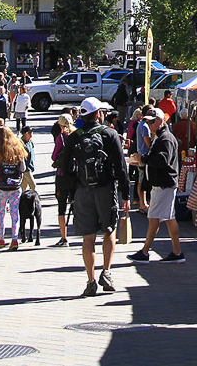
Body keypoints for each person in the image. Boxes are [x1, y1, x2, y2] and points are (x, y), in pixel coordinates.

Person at [59, 97, 130, 296]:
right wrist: (125, 193)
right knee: (109, 230)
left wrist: (70, 194)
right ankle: (106, 272)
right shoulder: (110, 134)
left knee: (87, 238)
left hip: (83, 191)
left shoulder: (74, 137)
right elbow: (120, 167)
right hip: (105, 189)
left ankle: (90, 281)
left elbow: (65, 167)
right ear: (98, 114)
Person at [128, 110, 185, 264]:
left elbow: (162, 160)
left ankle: (148, 251)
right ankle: (174, 251)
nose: (149, 125)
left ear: (160, 121)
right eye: (148, 122)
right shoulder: (161, 137)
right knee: (164, 218)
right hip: (162, 183)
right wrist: (142, 161)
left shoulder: (165, 138)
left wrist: (143, 159)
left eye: (152, 122)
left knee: (160, 218)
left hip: (164, 184)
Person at [0, 126, 27, 250]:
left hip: (2, 186)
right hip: (16, 186)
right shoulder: (18, 148)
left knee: (1, 212)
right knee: (14, 213)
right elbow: (23, 168)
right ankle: (14, 238)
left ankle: (0, 238)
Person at [50, 113, 76, 247]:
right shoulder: (77, 136)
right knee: (78, 205)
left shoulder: (61, 138)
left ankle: (64, 237)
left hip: (62, 174)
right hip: (76, 175)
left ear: (60, 125)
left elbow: (54, 156)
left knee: (62, 207)